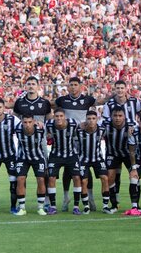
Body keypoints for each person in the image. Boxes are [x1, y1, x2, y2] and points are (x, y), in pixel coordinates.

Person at [54, 77, 105, 212]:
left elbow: (100, 101)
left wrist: (115, 95)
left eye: (75, 85)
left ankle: (90, 197)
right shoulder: (62, 100)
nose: (73, 87)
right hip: (68, 139)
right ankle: (66, 197)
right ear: (68, 87)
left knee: (85, 168)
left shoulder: (87, 100)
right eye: (71, 85)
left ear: (81, 86)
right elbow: (50, 108)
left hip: (83, 139)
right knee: (67, 169)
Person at [102, 80, 141, 207]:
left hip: (128, 149)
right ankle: (114, 202)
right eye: (117, 88)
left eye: (122, 88)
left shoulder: (134, 101)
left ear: (126, 89)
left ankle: (135, 205)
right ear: (115, 89)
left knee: (135, 174)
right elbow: (105, 121)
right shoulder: (109, 104)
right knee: (113, 175)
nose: (119, 90)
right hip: (112, 148)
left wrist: (136, 128)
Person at [45, 109, 82, 215]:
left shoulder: (73, 123)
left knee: (76, 177)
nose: (59, 118)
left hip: (71, 155)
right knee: (51, 177)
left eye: (61, 116)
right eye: (56, 116)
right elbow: (42, 130)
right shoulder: (49, 124)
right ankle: (53, 207)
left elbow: (81, 128)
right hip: (55, 155)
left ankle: (76, 207)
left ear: (65, 116)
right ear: (53, 117)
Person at [77, 110, 112, 214]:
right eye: (89, 119)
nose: (91, 121)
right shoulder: (79, 131)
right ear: (85, 120)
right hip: (84, 159)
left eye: (93, 119)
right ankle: (86, 206)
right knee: (83, 181)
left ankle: (105, 206)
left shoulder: (102, 130)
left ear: (97, 120)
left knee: (105, 178)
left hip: (98, 159)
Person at [103, 106, 135, 212]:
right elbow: (93, 127)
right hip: (112, 153)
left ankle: (135, 205)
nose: (117, 118)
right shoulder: (105, 124)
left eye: (120, 116)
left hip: (127, 154)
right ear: (111, 116)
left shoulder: (132, 124)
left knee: (134, 176)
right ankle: (114, 204)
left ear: (124, 116)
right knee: (110, 177)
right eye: (115, 116)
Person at [14, 114, 47, 216]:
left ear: (33, 122)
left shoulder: (41, 129)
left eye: (29, 122)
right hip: (23, 157)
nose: (27, 125)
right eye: (25, 122)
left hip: (38, 157)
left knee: (41, 179)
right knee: (20, 179)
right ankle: (22, 208)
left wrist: (47, 159)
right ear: (22, 122)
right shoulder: (18, 129)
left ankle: (40, 208)